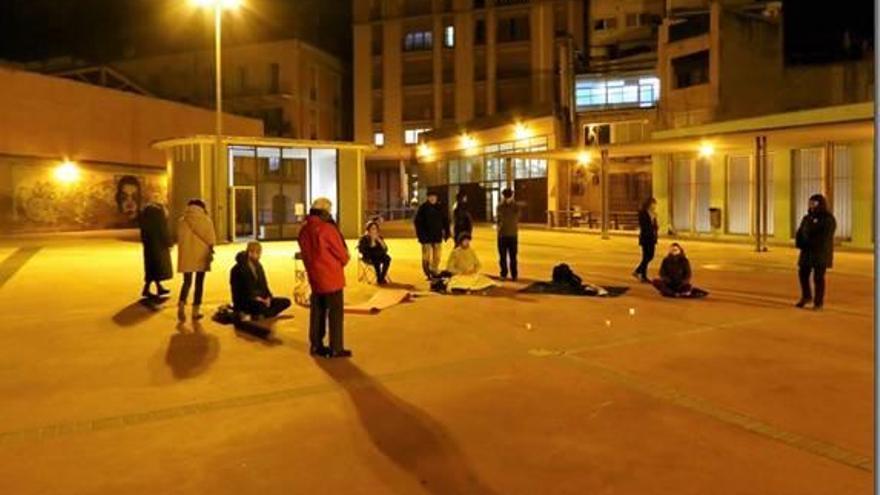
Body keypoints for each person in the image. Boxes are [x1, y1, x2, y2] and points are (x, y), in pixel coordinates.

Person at [298, 197, 352, 358]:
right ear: (326, 211)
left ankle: (316, 345)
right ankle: (336, 347)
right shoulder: (327, 229)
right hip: (331, 276)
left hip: (315, 275)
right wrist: (344, 260)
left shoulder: (304, 229)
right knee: (335, 313)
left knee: (317, 312)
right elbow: (341, 252)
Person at [230, 241, 291, 320]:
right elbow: (243, 291)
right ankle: (262, 314)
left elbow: (265, 285)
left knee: (286, 302)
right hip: (246, 301)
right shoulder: (238, 269)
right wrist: (259, 299)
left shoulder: (258, 266)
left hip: (261, 299)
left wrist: (268, 298)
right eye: (256, 253)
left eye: (259, 253)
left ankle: (262, 314)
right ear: (249, 253)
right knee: (260, 306)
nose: (258, 256)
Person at [795, 193, 836, 310]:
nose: (812, 205)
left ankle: (818, 303)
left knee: (818, 278)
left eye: (814, 203)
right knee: (803, 273)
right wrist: (800, 243)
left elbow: (825, 237)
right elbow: (800, 232)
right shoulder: (807, 218)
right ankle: (806, 296)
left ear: (820, 204)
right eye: (810, 202)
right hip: (807, 252)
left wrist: (811, 242)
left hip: (820, 253)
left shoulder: (828, 219)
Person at [177, 199, 216, 321]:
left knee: (187, 282)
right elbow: (211, 240)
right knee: (199, 284)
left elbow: (179, 239)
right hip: (201, 256)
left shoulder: (182, 221)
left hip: (187, 256)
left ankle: (182, 304)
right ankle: (195, 312)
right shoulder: (206, 220)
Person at [138, 196, 173, 298]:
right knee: (158, 267)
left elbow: (143, 232)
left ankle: (157, 287)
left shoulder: (145, 215)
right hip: (159, 246)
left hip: (149, 246)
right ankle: (148, 289)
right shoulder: (158, 214)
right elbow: (163, 230)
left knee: (152, 268)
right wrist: (168, 242)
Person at [414, 191, 451, 279]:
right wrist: (420, 235)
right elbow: (417, 222)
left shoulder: (440, 207)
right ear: (427, 198)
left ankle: (434, 270)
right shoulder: (423, 208)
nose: (432, 198)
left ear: (436, 197)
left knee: (437, 256)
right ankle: (427, 273)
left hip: (437, 235)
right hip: (426, 237)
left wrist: (447, 232)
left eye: (434, 196)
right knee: (426, 257)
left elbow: (446, 220)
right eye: (430, 197)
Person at [496, 187, 520, 281]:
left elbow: (516, 217)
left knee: (513, 256)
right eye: (506, 196)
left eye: (509, 196)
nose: (507, 198)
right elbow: (498, 219)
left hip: (512, 234)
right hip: (502, 235)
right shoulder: (500, 206)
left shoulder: (515, 206)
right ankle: (503, 273)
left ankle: (514, 274)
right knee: (502, 256)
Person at [633, 197, 659, 283]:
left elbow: (655, 227)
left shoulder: (654, 214)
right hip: (645, 237)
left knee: (651, 256)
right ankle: (643, 276)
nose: (654, 206)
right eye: (653, 204)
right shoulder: (642, 213)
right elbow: (644, 225)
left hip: (652, 238)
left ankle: (637, 271)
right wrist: (652, 220)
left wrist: (655, 220)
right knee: (646, 256)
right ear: (649, 204)